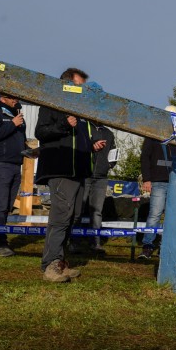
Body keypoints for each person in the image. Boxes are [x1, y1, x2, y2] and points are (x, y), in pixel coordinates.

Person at [35, 68, 106, 282]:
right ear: (66, 84)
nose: (83, 91)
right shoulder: (51, 104)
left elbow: (79, 138)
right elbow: (42, 132)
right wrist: (65, 124)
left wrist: (90, 146)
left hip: (79, 173)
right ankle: (51, 265)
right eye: (79, 86)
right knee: (61, 217)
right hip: (60, 170)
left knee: (73, 217)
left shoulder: (81, 111)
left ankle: (61, 263)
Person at [0, 93, 27, 257]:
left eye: (17, 97)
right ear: (2, 98)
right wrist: (13, 125)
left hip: (16, 165)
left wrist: (28, 150)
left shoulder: (17, 116)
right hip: (0, 165)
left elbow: (15, 139)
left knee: (7, 206)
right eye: (11, 97)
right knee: (0, 205)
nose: (16, 99)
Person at [138, 108, 176, 260]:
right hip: (158, 181)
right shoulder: (153, 135)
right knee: (155, 215)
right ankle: (148, 246)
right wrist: (147, 179)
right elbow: (145, 157)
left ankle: (166, 247)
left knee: (173, 216)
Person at [83, 98, 116, 254]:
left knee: (96, 210)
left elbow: (114, 153)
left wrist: (110, 165)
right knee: (78, 208)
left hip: (101, 177)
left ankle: (94, 242)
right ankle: (73, 241)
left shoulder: (109, 133)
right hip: (84, 175)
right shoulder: (83, 127)